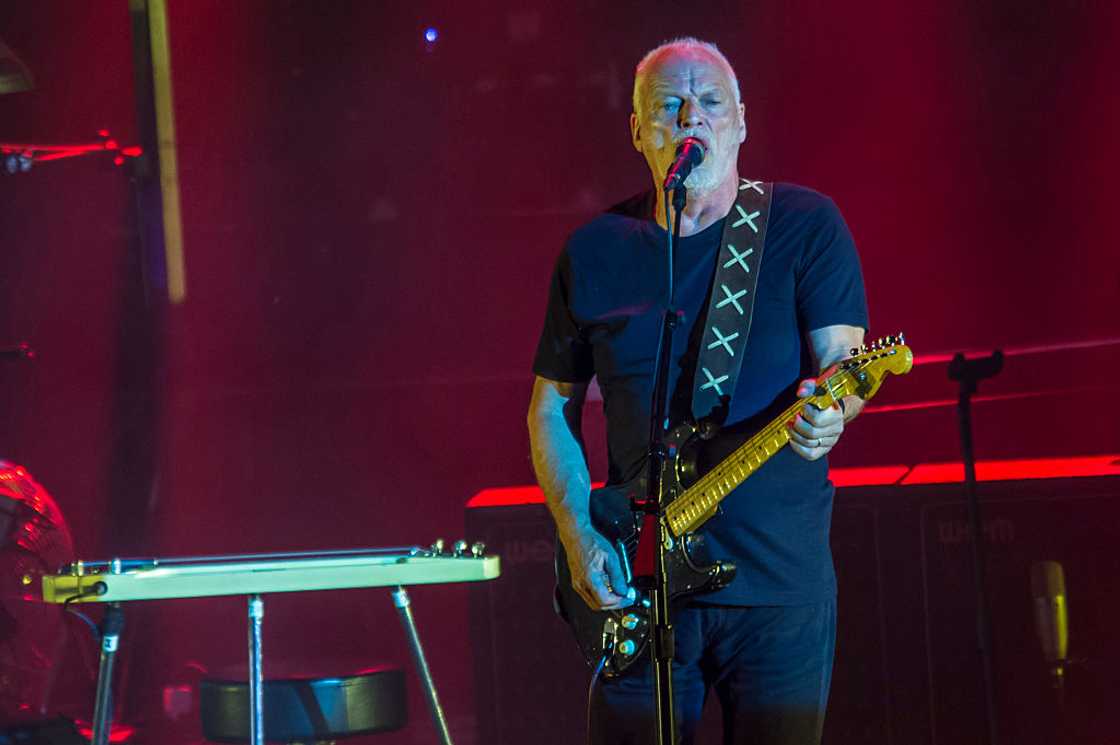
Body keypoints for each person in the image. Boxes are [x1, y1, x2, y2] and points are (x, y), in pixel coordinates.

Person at [527, 37, 869, 745]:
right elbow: (550, 406)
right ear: (637, 131)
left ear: (741, 121)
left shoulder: (805, 226)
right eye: (669, 107)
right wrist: (576, 530)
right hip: (637, 581)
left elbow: (846, 362)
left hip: (776, 584)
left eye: (711, 103)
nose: (691, 120)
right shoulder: (594, 250)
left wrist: (833, 408)